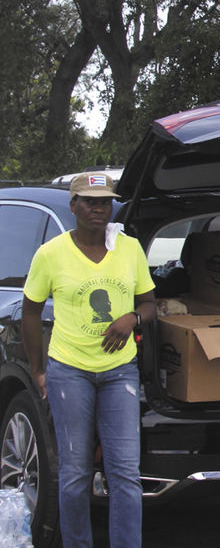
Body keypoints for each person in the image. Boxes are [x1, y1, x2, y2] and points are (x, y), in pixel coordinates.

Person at [21, 172, 157, 548]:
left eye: (105, 201)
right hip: (70, 372)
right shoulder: (51, 254)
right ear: (73, 206)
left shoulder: (127, 249)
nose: (98, 208)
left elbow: (149, 303)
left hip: (119, 374)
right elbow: (30, 312)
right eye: (89, 201)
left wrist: (132, 318)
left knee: (126, 473)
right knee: (74, 473)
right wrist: (38, 370)